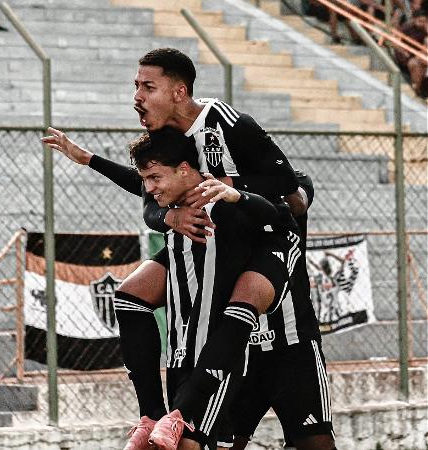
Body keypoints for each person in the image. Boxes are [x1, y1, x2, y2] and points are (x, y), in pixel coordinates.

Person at [41, 47, 318, 450]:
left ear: (179, 91)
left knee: (234, 317)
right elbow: (150, 197)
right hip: (204, 238)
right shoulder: (162, 139)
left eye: (147, 86)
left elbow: (291, 190)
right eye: (135, 85)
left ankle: (184, 414)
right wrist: (167, 216)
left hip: (254, 240)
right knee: (131, 298)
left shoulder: (229, 124)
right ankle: (154, 416)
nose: (136, 95)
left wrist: (232, 190)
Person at [218, 171, 336, 450]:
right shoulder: (211, 183)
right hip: (236, 351)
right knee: (224, 444)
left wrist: (243, 186)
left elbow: (298, 204)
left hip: (294, 346)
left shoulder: (291, 179)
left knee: (317, 442)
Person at [394, 10, 428, 97]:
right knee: (416, 64)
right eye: (420, 21)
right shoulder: (406, 28)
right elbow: (396, 42)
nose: (422, 23)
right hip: (408, 56)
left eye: (424, 21)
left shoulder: (425, 30)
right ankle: (418, 90)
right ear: (414, 20)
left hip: (422, 55)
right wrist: (404, 52)